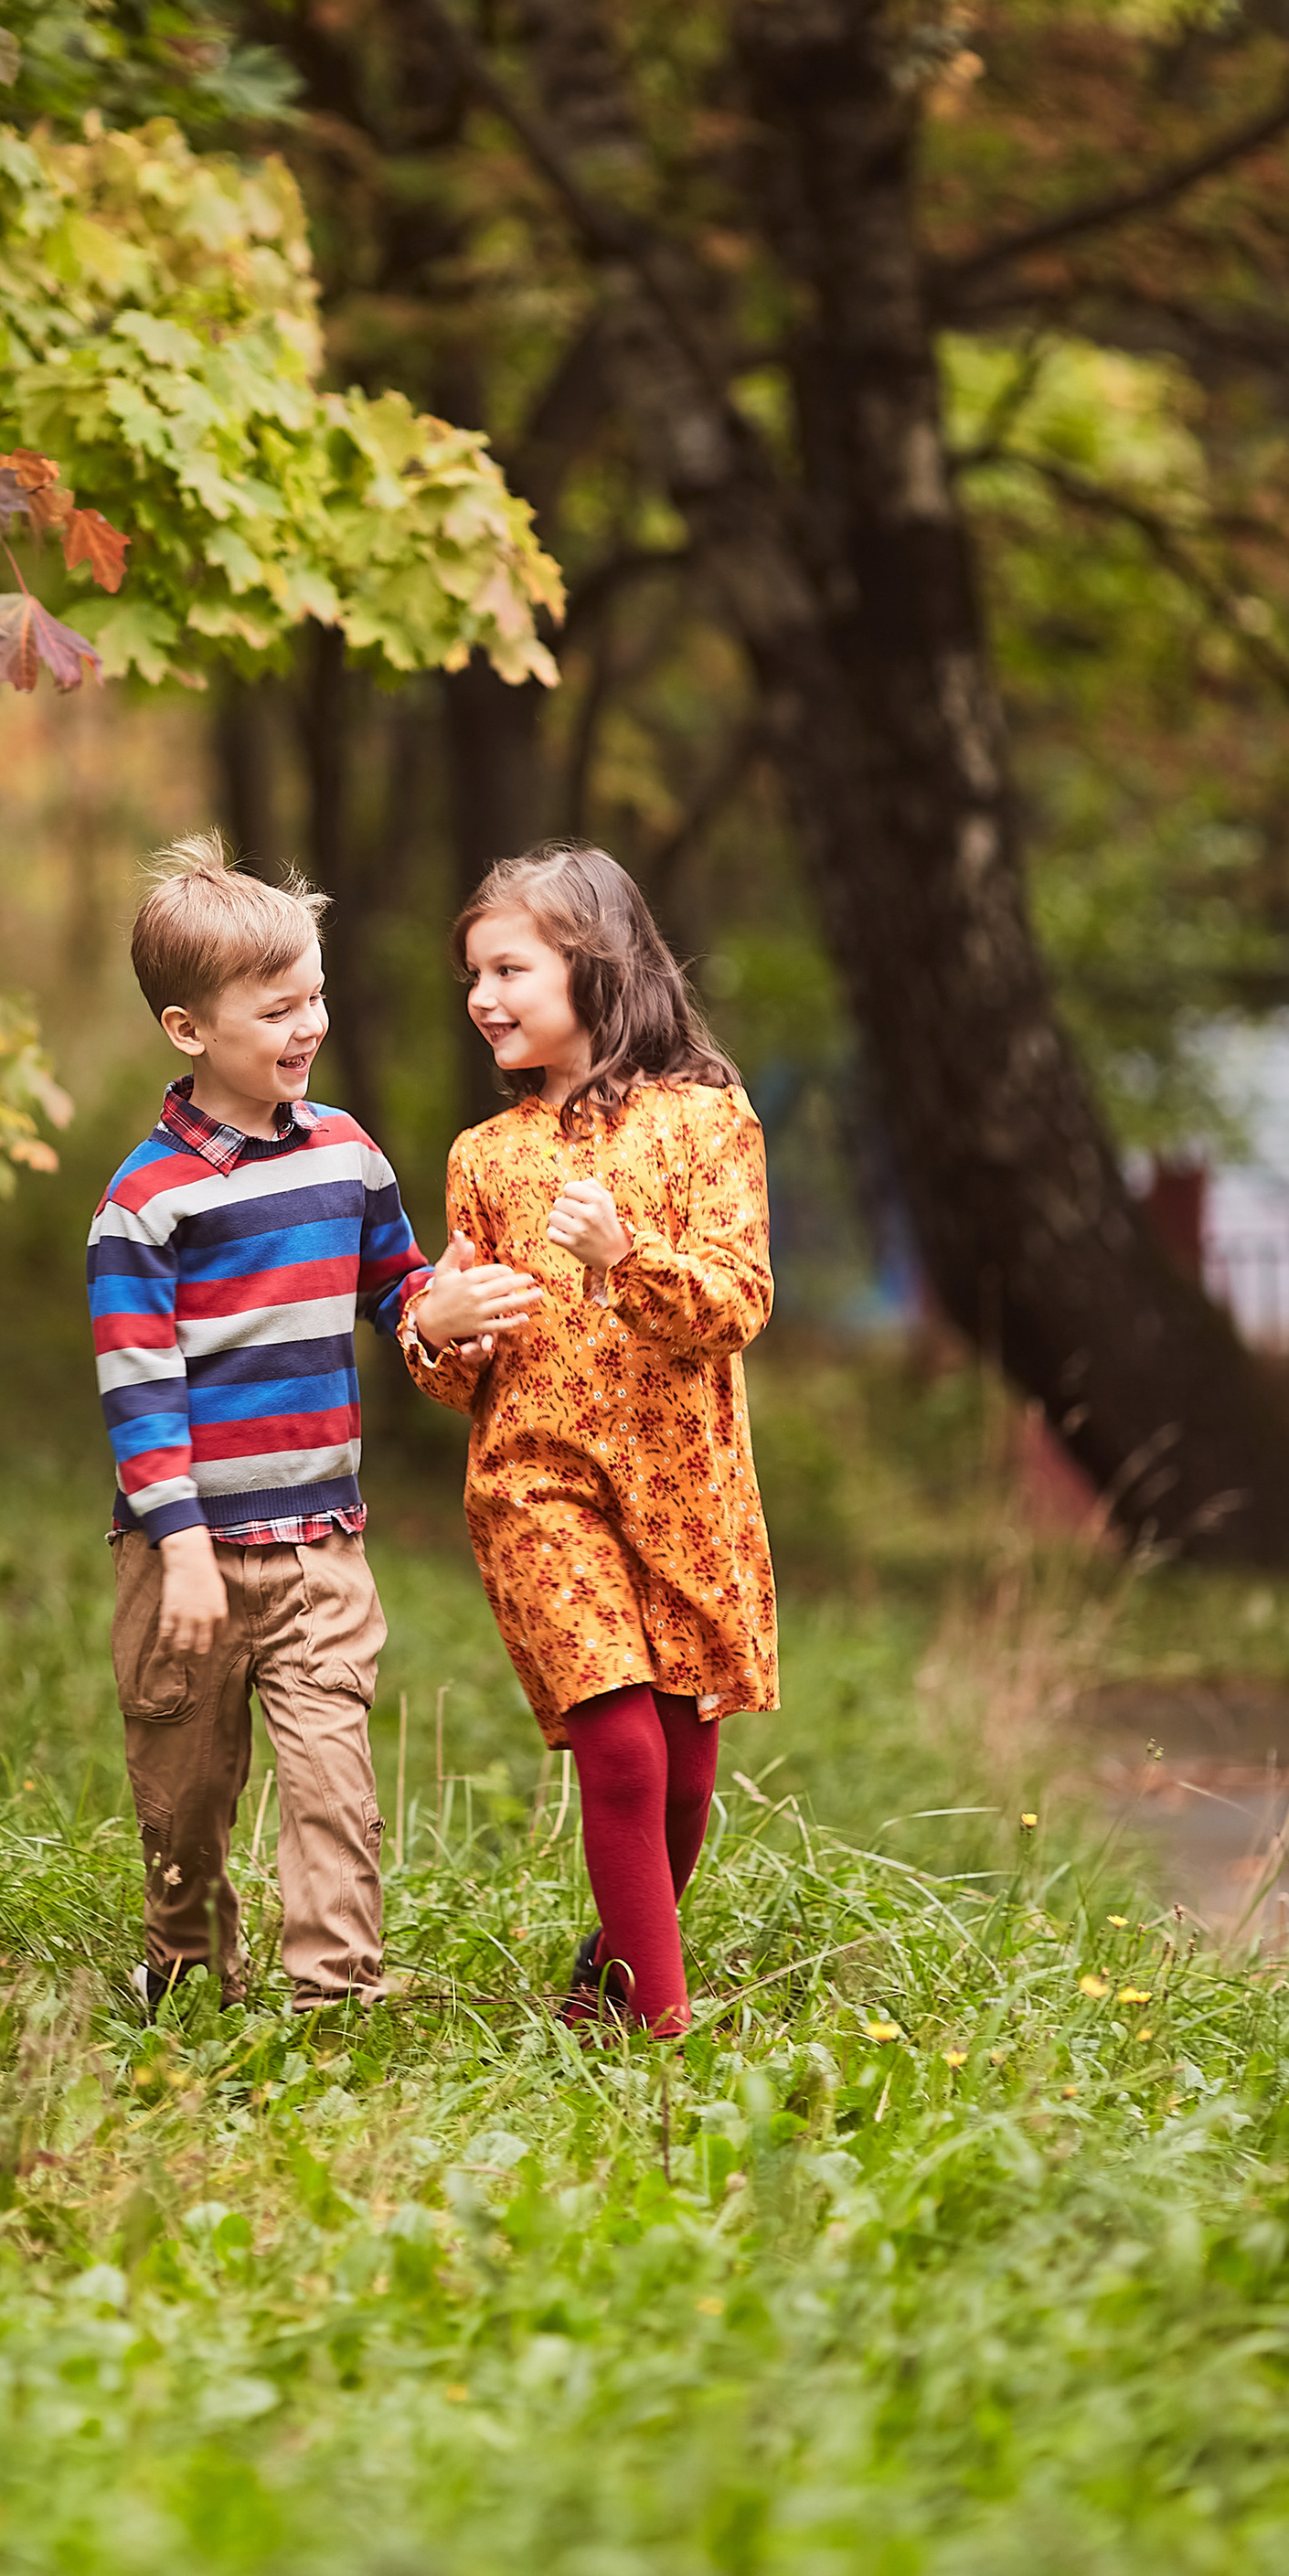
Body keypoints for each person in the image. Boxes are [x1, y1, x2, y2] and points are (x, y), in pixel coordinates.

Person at [89, 836, 488, 2014]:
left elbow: (394, 1285)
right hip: (187, 1562)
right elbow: (139, 1385)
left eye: (316, 993)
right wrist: (179, 1548)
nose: (309, 1023)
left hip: (321, 1546)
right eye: (278, 1007)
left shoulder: (348, 1156)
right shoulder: (144, 1207)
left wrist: (441, 1305)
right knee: (185, 1795)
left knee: (332, 1782)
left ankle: (333, 2002)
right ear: (189, 1031)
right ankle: (187, 1966)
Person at [401, 844, 777, 2035]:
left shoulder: (708, 1125)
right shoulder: (485, 1158)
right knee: (617, 1749)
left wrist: (629, 1260)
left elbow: (738, 1307)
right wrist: (435, 1327)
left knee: (684, 1781)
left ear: (596, 967)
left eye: (509, 968)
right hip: (536, 1485)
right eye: (474, 975)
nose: (482, 998)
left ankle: (609, 1981)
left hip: (682, 1489)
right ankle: (664, 2043)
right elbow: (461, 1378)